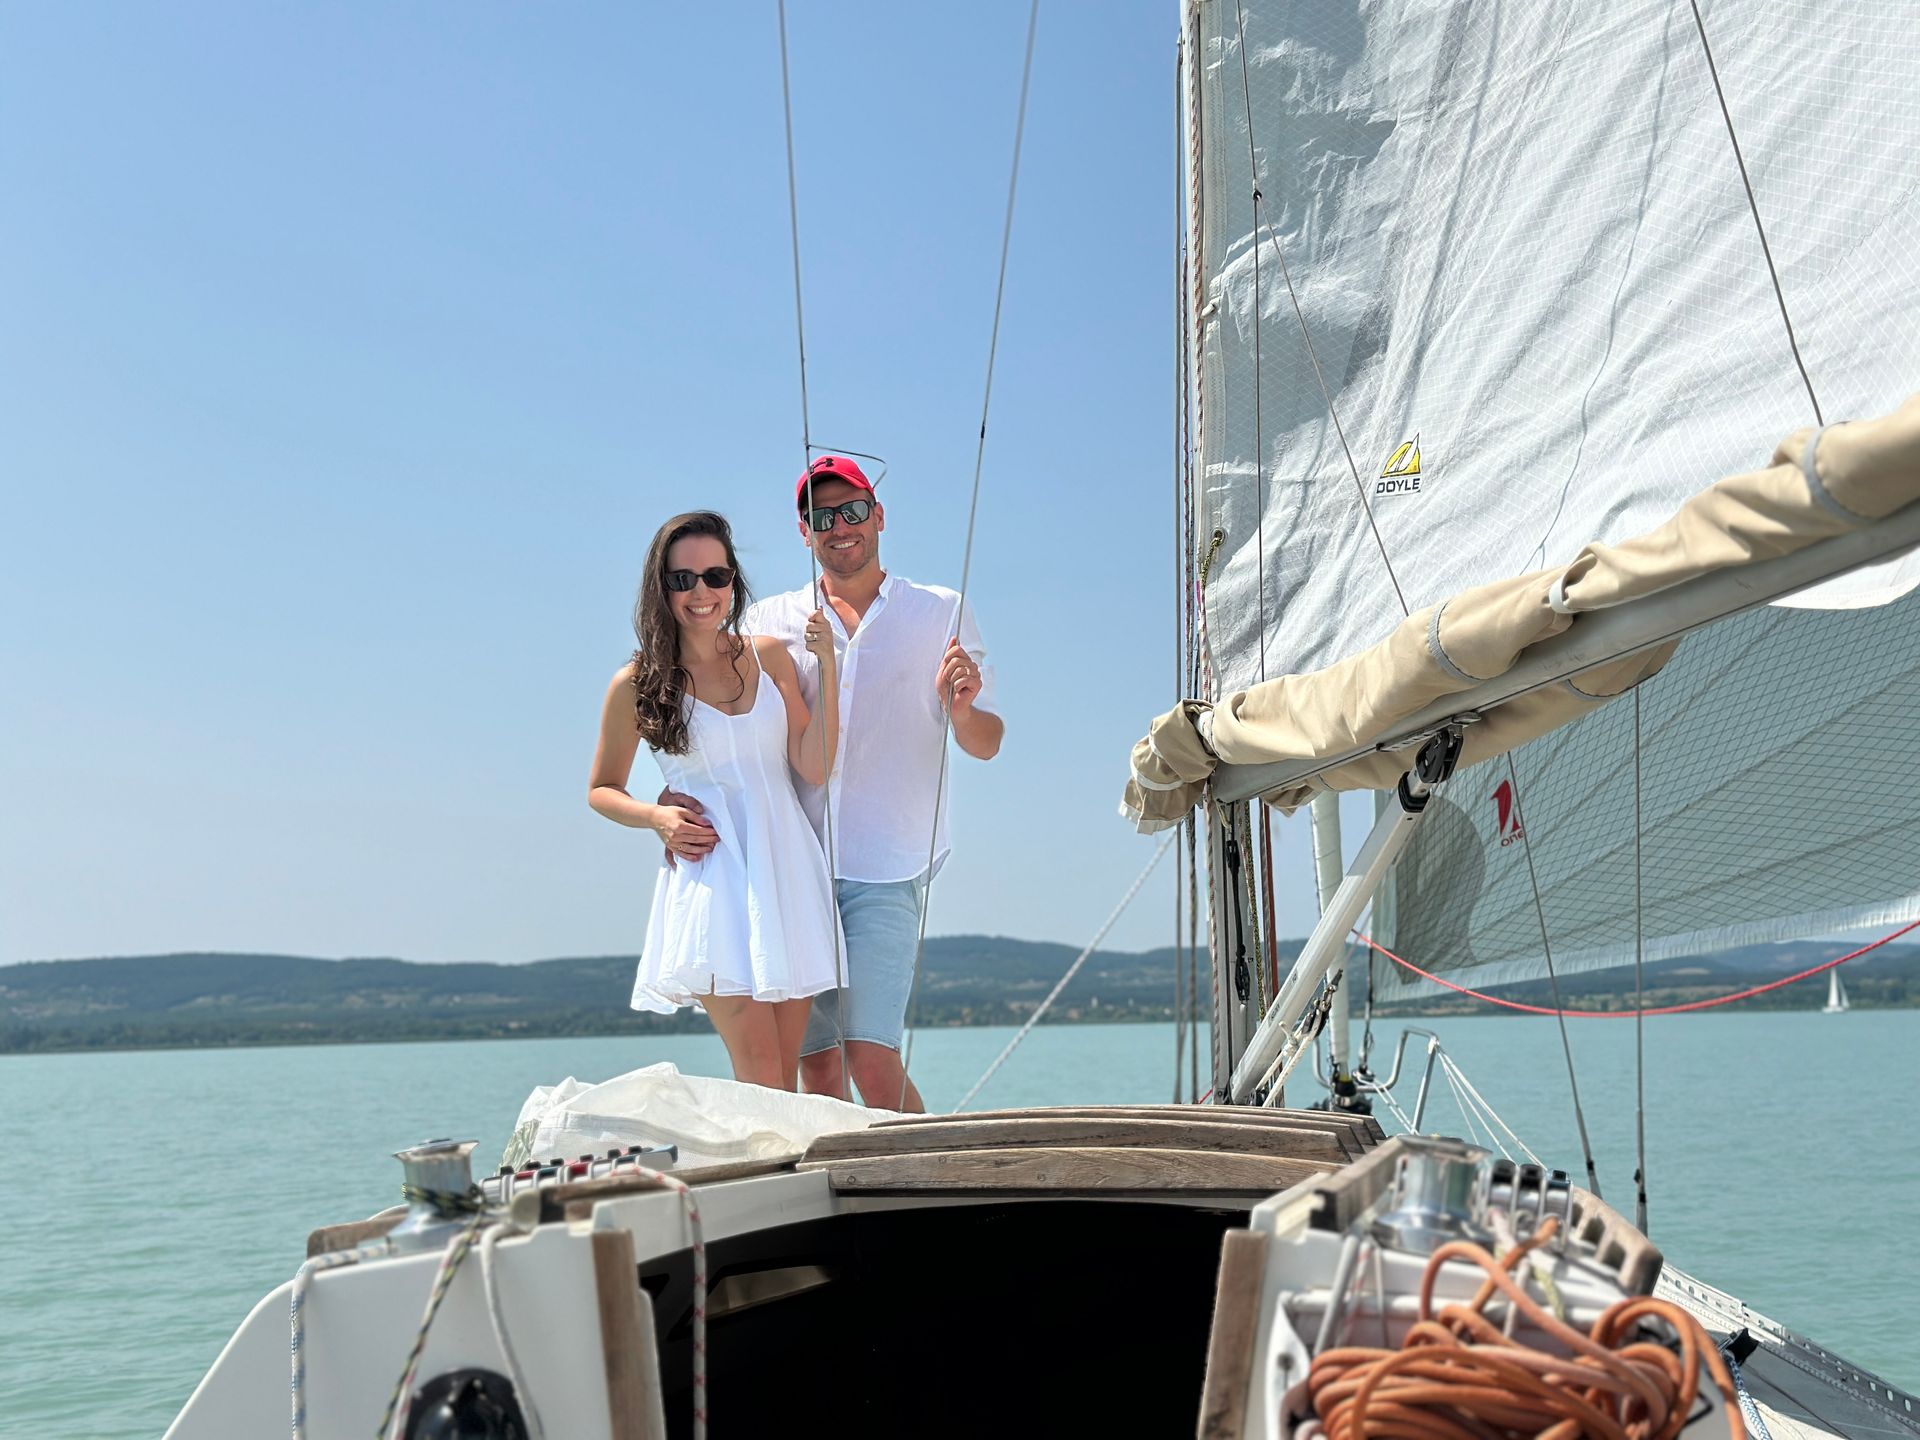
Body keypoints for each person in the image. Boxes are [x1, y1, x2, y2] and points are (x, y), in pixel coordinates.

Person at [703, 455, 1003, 1111]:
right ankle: (840, 1198)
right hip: (791, 867)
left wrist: (962, 710)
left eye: (853, 510)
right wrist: (674, 798)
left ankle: (927, 1191)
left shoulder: (941, 613)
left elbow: (985, 743)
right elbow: (723, 731)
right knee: (818, 1072)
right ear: (804, 532)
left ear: (879, 516)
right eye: (822, 517)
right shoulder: (766, 624)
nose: (841, 526)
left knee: (871, 1058)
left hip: (887, 869)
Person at [588, 510, 843, 1090]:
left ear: (733, 580)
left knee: (785, 1073)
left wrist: (827, 667)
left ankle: (791, 1179)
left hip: (786, 873)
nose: (701, 592)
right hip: (713, 879)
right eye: (683, 580)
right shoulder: (637, 682)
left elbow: (812, 763)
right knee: (758, 1071)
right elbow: (601, 789)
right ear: (661, 590)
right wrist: (656, 817)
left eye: (715, 576)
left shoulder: (772, 656)